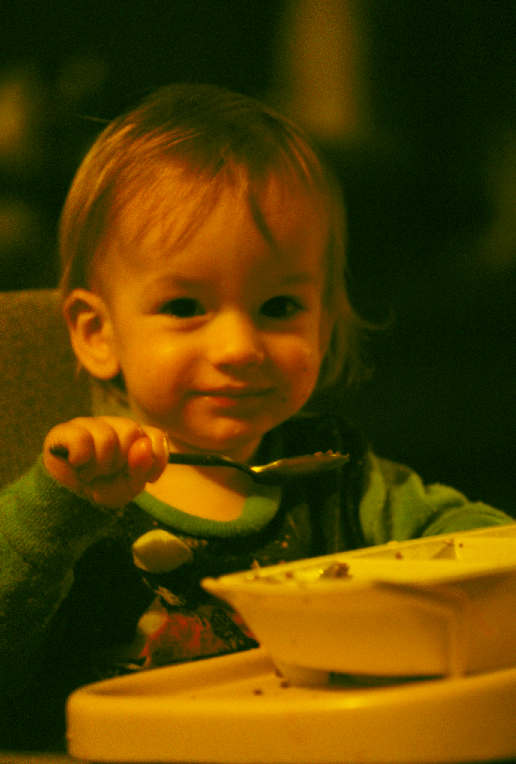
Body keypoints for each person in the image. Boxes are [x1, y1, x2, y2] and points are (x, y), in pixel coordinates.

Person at [0, 83, 512, 750]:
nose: (240, 348)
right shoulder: (75, 497)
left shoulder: (333, 475)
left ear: (324, 322)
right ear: (98, 332)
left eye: (279, 307)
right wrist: (56, 509)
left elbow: (482, 548)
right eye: (185, 307)